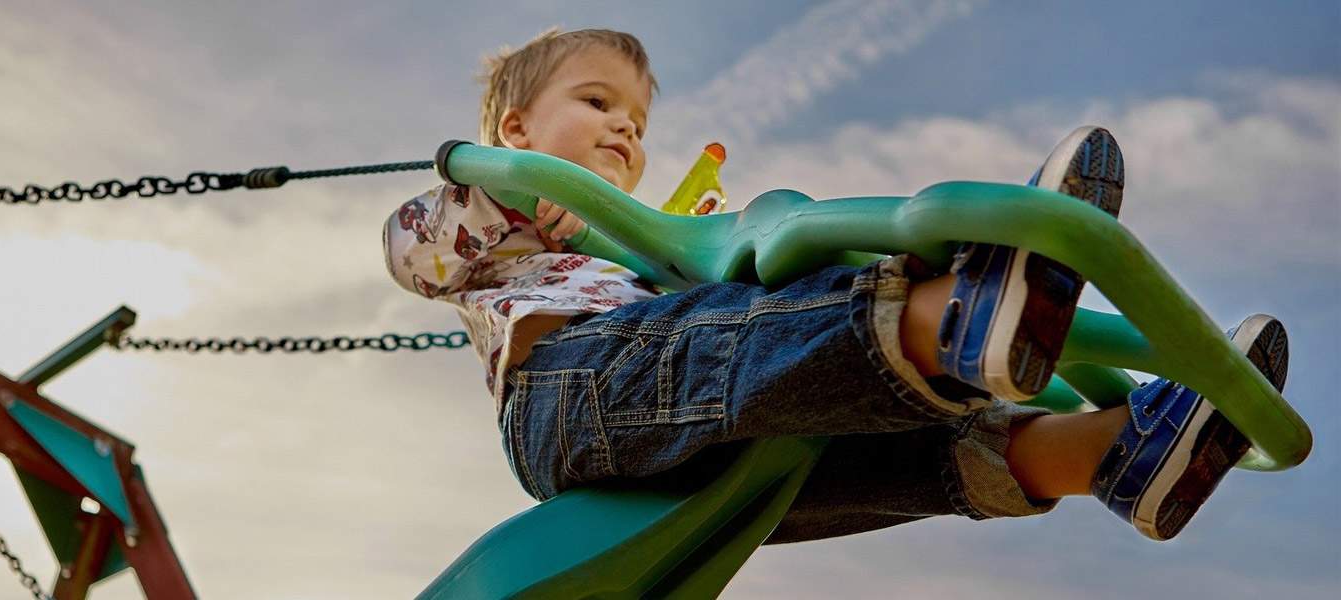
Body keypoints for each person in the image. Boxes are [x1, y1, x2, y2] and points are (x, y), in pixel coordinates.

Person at [383, 28, 1288, 542]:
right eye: (596, 103)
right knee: (738, 331)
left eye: (637, 121)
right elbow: (412, 252)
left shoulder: (645, 234)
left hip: (693, 442)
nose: (624, 130)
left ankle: (1109, 452)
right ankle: (950, 315)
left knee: (851, 454)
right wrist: (499, 188)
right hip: (569, 404)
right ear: (515, 130)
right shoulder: (489, 218)